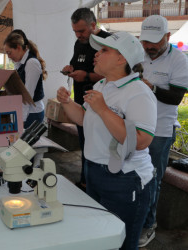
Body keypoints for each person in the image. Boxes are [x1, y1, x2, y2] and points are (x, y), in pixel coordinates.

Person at [57, 31, 157, 249]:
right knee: (101, 239)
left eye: (104, 50)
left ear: (122, 58)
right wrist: (67, 103)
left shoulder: (138, 92)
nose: (96, 54)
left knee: (122, 243)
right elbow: (83, 119)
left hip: (125, 178)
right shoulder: (101, 85)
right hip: (95, 171)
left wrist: (103, 110)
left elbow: (141, 141)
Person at [138, 15, 188, 247]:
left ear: (167, 37)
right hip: (136, 125)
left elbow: (176, 98)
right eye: (145, 42)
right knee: (133, 175)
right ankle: (134, 216)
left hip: (160, 130)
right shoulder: (140, 55)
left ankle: (149, 225)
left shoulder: (178, 60)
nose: (149, 48)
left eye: (154, 43)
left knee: (153, 179)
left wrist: (152, 87)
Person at [62, 8, 111, 192]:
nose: (78, 35)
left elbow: (113, 75)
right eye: (75, 31)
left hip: (101, 105)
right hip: (82, 102)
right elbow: (78, 63)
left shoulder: (108, 42)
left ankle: (94, 185)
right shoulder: (79, 43)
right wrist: (71, 68)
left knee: (98, 147)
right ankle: (85, 182)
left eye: (81, 31)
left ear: (93, 25)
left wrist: (87, 76)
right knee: (85, 145)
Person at [3, 29, 47, 129]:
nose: (9, 57)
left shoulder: (31, 63)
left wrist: (21, 119)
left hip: (32, 113)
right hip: (26, 112)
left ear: (18, 48)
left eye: (9, 53)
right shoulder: (20, 63)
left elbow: (27, 96)